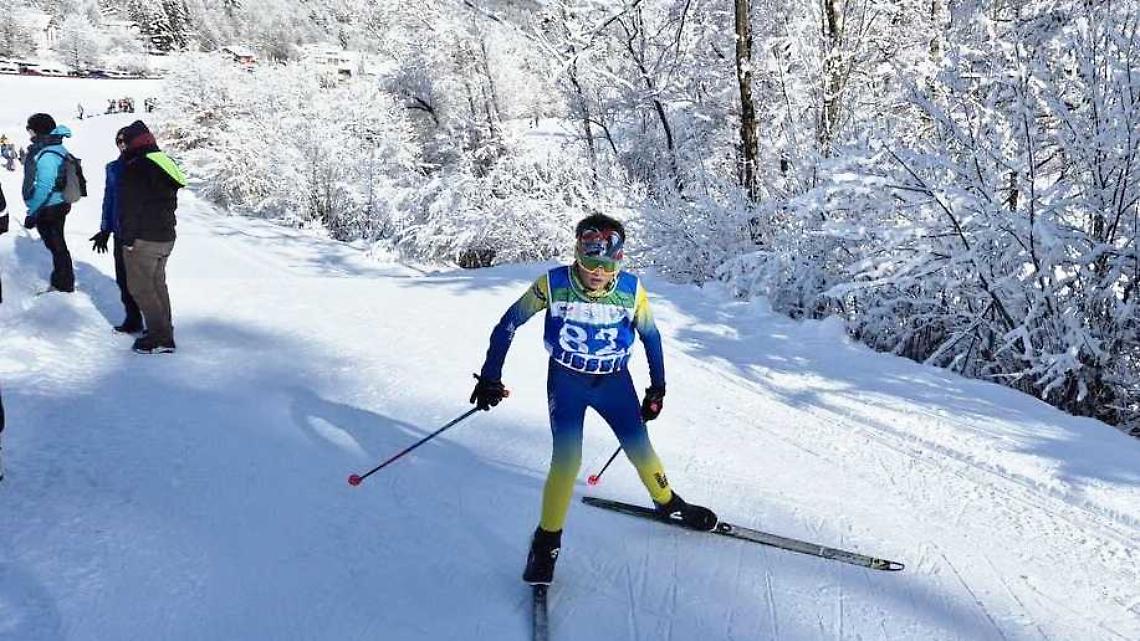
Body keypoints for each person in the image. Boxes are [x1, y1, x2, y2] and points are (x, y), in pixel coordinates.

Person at [471, 213, 716, 586]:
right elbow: (508, 323)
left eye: (607, 264)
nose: (597, 273)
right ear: (577, 254)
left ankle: (668, 504)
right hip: (567, 381)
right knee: (567, 462)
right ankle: (546, 543)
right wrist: (491, 376)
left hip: (614, 381)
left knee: (641, 449)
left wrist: (657, 387)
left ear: (618, 261)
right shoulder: (553, 284)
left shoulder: (632, 290)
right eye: (589, 263)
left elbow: (651, 337)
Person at [116, 120, 187, 354]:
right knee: (157, 284)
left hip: (144, 239)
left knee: (140, 288)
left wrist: (127, 239)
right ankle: (164, 328)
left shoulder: (136, 166)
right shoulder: (163, 161)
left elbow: (131, 207)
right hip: (166, 235)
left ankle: (161, 338)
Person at [89, 128, 143, 334]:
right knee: (123, 278)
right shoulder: (112, 168)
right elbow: (109, 200)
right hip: (120, 232)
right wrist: (105, 229)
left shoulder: (144, 165)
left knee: (145, 281)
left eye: (125, 140)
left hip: (142, 233)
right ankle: (133, 318)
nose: (121, 144)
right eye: (118, 141)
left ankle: (158, 326)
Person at [22, 113, 76, 293]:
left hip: (50, 206)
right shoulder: (56, 147)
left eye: (30, 129)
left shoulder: (46, 154)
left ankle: (63, 284)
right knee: (57, 245)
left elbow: (44, 186)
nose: (29, 134)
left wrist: (32, 212)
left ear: (37, 130)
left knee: (57, 246)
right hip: (58, 203)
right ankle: (63, 281)